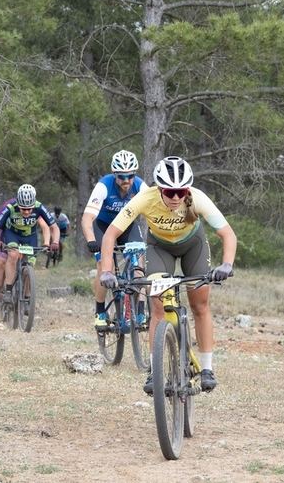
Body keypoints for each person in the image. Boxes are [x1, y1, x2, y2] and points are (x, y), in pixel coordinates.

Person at [99, 156, 237, 394]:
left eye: (181, 192)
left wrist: (226, 264)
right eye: (169, 192)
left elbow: (228, 234)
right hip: (158, 247)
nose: (175, 197)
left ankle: (206, 368)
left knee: (200, 304)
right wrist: (108, 271)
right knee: (158, 307)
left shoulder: (197, 198)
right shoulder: (144, 198)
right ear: (159, 188)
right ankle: (154, 370)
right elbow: (111, 234)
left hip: (193, 245)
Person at [81, 150, 146, 329]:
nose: (126, 180)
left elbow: (153, 212)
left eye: (130, 176)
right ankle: (100, 311)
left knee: (139, 261)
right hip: (103, 225)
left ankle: (140, 309)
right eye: (121, 176)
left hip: (127, 226)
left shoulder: (140, 186)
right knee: (103, 264)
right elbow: (87, 218)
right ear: (114, 174)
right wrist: (91, 240)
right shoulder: (104, 185)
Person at [0, 184, 60, 305]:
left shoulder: (39, 207)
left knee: (29, 267)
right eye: (23, 209)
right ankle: (9, 291)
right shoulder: (10, 207)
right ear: (18, 204)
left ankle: (27, 298)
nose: (26, 212)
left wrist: (54, 242)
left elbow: (53, 227)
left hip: (30, 238)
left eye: (29, 209)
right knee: (13, 255)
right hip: (12, 235)